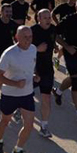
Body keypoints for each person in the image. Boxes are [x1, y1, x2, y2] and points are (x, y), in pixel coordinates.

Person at [0, 26, 38, 153]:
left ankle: (18, 149)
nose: (28, 40)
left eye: (30, 36)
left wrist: (34, 76)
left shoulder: (33, 49)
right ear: (17, 37)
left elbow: (30, 65)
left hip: (27, 94)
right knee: (5, 121)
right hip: (10, 94)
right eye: (24, 37)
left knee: (29, 125)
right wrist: (15, 83)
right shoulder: (9, 54)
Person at [31, 9, 57, 138]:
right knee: (24, 94)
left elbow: (53, 41)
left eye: (49, 17)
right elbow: (22, 48)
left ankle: (44, 126)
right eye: (45, 17)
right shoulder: (32, 31)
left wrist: (56, 46)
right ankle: (18, 108)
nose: (48, 20)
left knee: (46, 98)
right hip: (32, 69)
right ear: (38, 18)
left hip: (47, 69)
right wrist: (37, 48)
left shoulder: (53, 29)